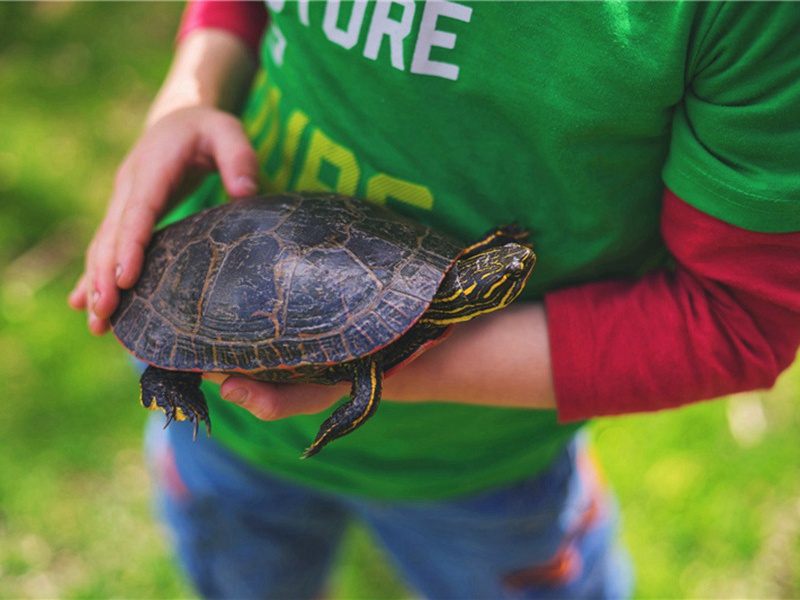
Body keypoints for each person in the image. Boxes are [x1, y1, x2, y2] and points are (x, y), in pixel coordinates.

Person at [69, 1, 800, 598]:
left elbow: (740, 317)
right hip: (223, 423)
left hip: (482, 471)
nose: (500, 268)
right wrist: (193, 87)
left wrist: (381, 361)